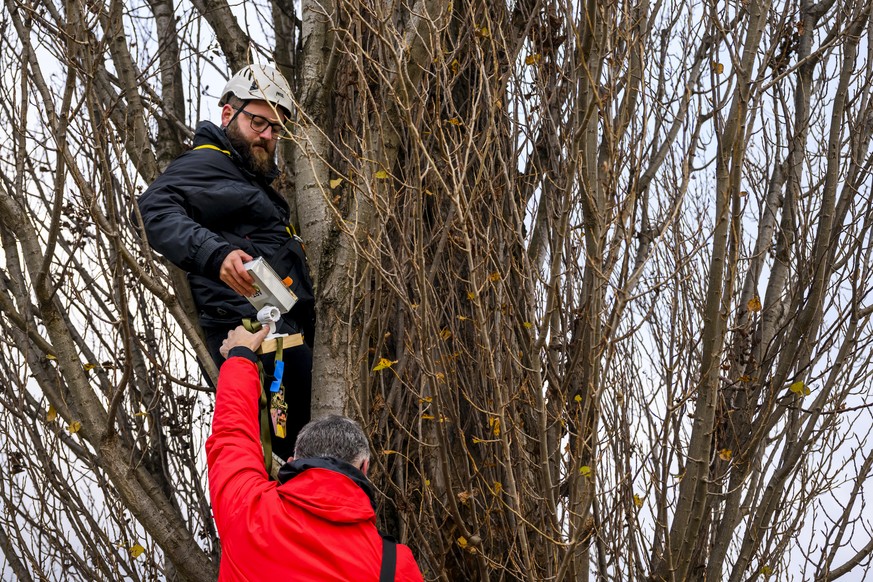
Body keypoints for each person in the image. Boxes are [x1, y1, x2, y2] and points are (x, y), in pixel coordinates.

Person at [137, 64, 314, 461]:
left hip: (280, 337)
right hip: (253, 337)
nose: (267, 136)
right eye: (258, 122)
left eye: (275, 129)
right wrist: (215, 256)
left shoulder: (242, 175)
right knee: (285, 469)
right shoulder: (205, 163)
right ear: (227, 114)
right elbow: (153, 208)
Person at [207, 325, 425, 581]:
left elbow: (232, 435)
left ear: (292, 461)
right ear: (364, 468)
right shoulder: (393, 564)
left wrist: (240, 356)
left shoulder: (247, 511)